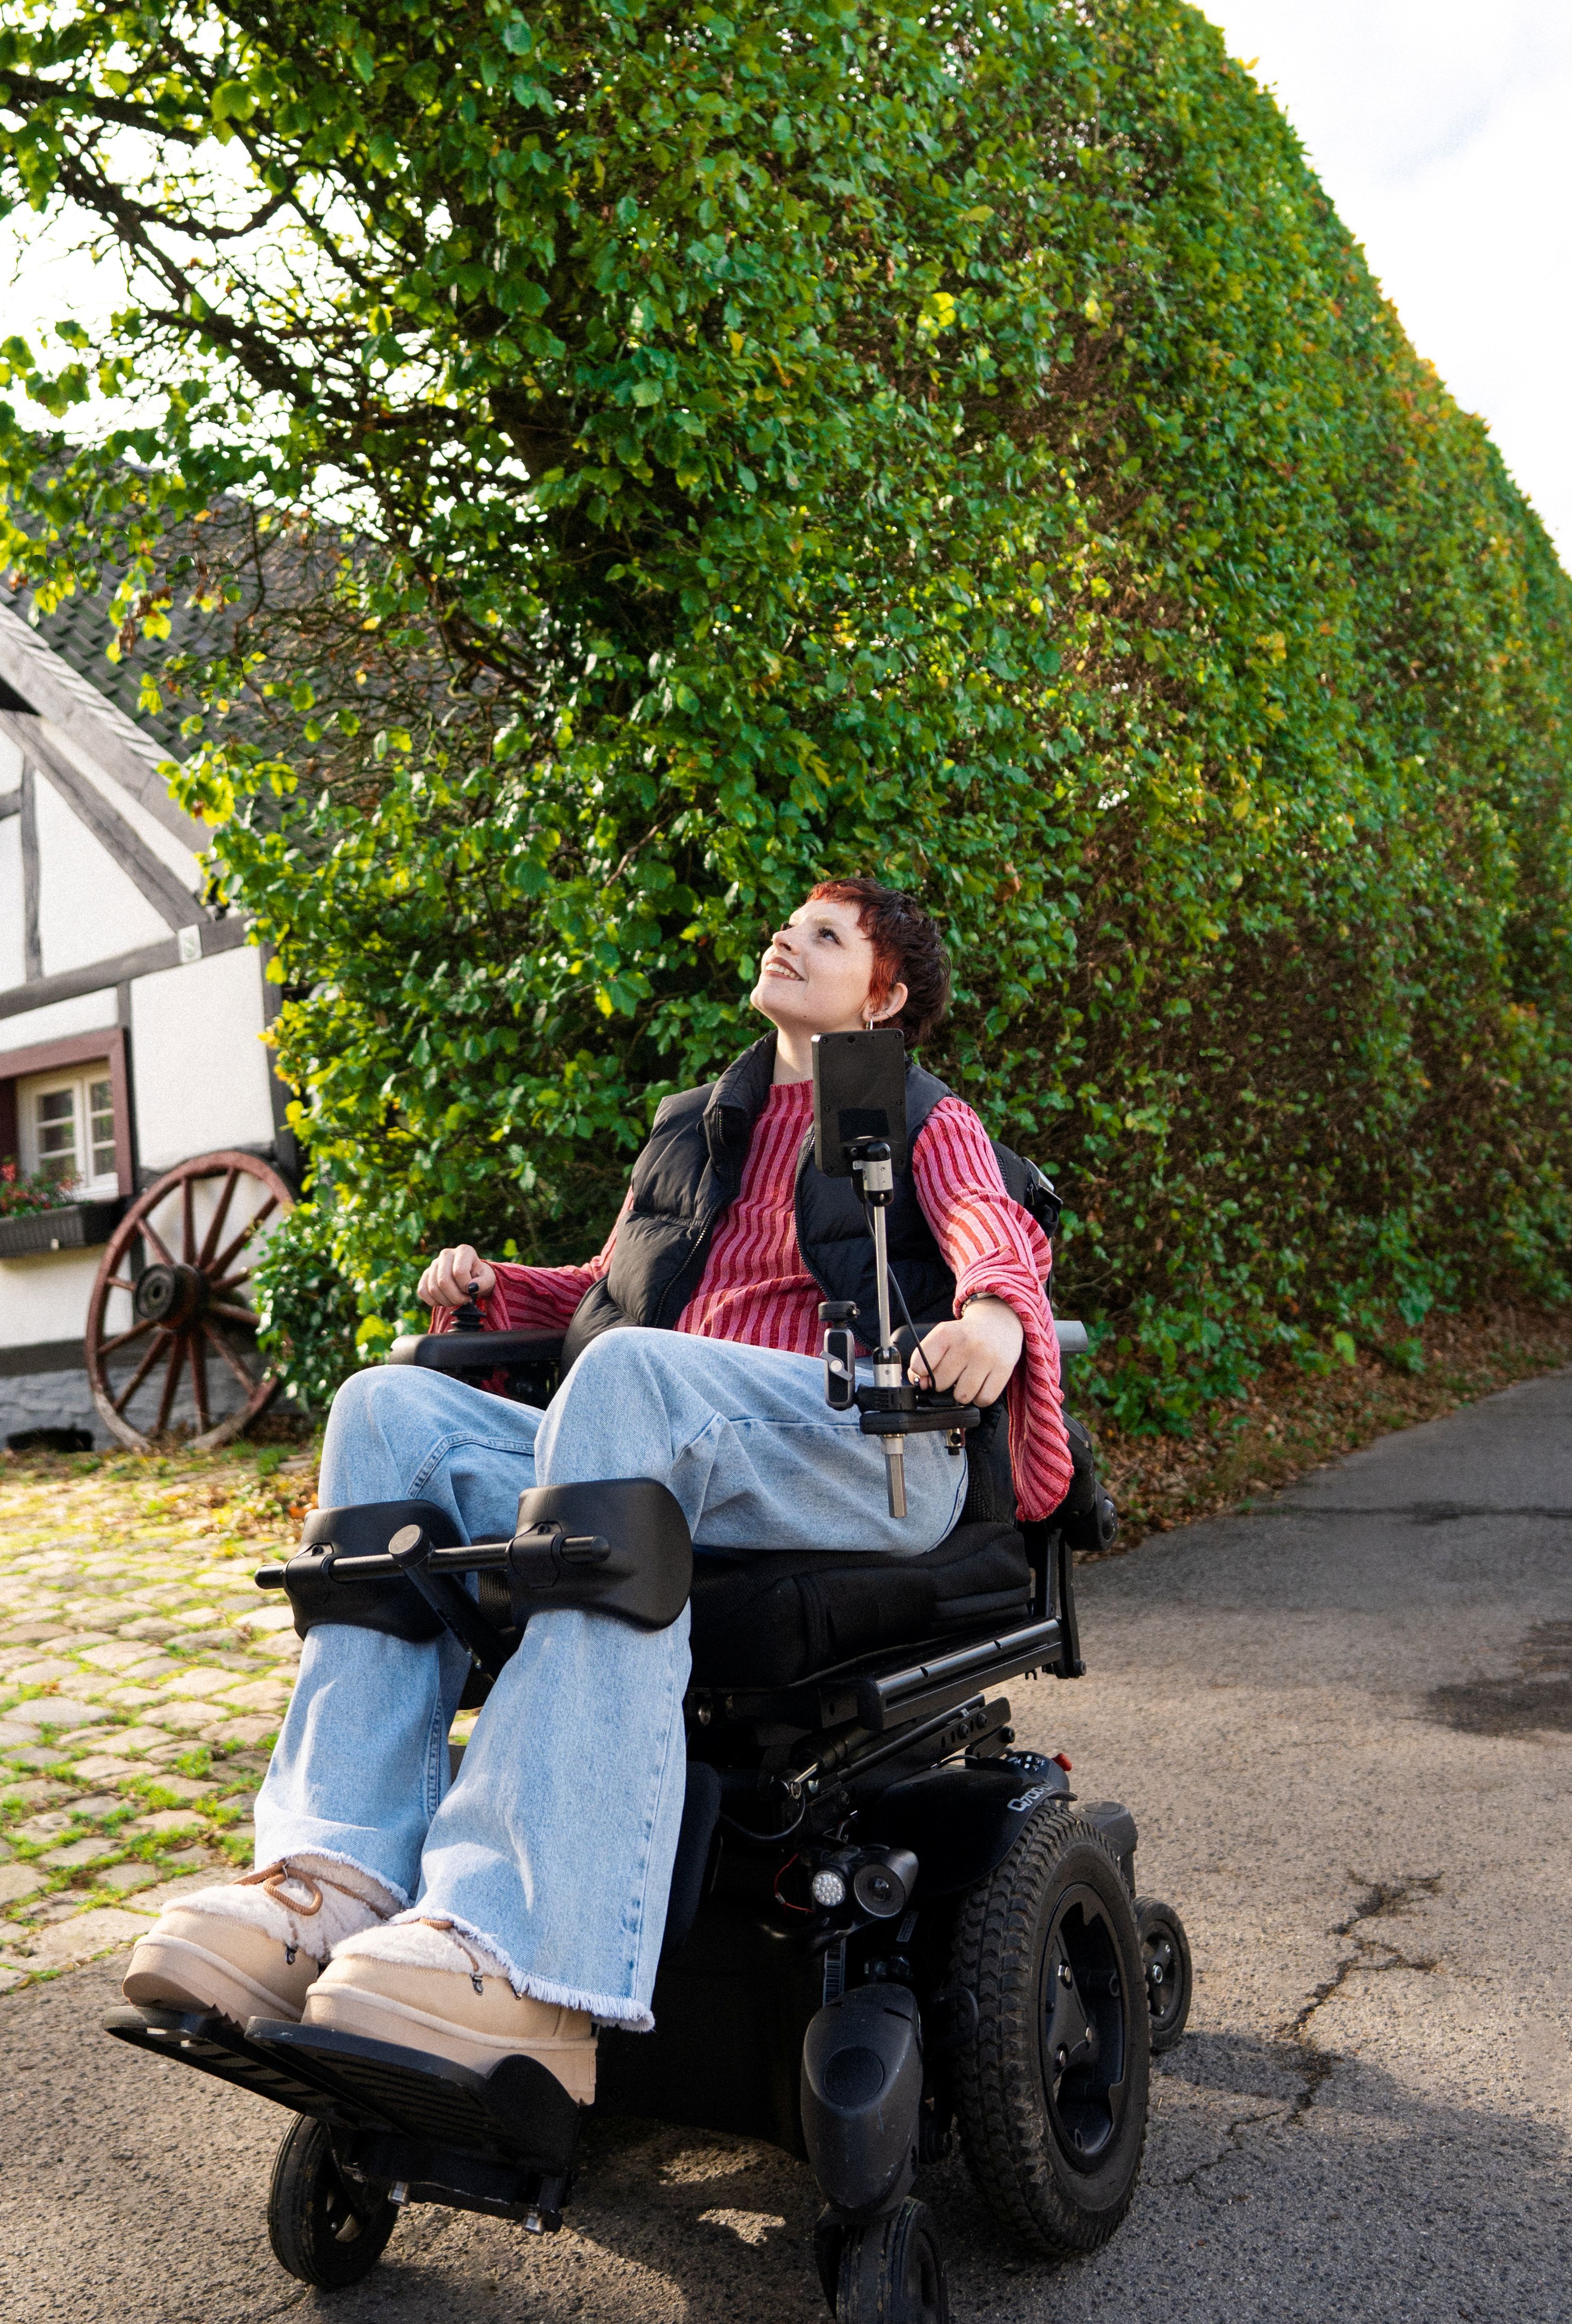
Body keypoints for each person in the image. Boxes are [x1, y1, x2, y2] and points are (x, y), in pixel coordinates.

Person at [122, 878, 1074, 2100]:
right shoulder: (696, 1126)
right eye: (790, 923)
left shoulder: (919, 1117)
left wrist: (993, 1315)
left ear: (884, 999)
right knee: (385, 1410)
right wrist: (498, 1289)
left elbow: (995, 1229)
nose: (787, 937)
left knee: (632, 1378)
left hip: (869, 1450)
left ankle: (520, 1941)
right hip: (664, 1432)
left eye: (826, 935)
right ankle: (333, 1879)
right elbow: (607, 1291)